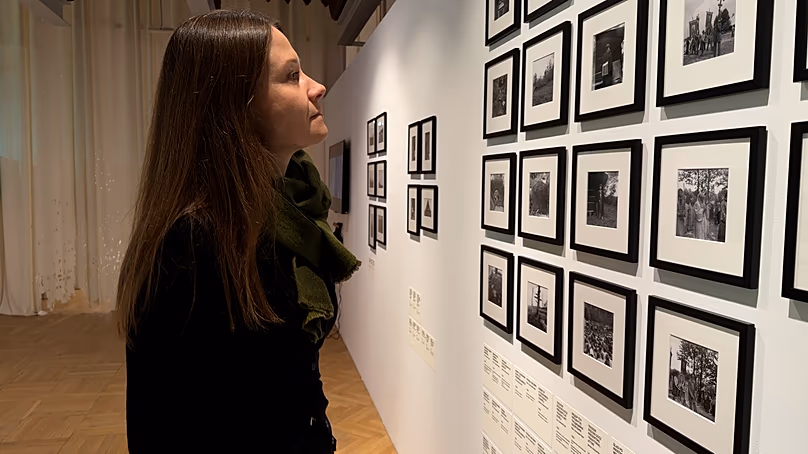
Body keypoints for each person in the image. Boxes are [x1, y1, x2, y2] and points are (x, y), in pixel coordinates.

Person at [116, 11, 360, 453]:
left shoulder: (292, 212)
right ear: (235, 105)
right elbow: (159, 422)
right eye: (291, 76)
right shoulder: (192, 241)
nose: (317, 86)